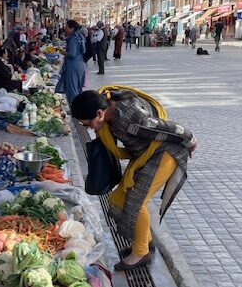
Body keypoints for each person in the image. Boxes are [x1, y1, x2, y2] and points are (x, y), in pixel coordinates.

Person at [71, 88, 197, 271]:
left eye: (88, 124)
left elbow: (169, 127)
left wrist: (191, 140)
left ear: (99, 113)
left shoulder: (131, 120)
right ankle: (144, 243)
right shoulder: (106, 107)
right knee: (127, 197)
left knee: (137, 202)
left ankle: (141, 253)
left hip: (164, 154)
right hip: (145, 154)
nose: (88, 128)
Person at [56, 19, 85, 104]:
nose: (65, 29)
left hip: (73, 66)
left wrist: (63, 52)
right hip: (79, 64)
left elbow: (72, 54)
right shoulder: (79, 36)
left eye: (66, 27)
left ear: (72, 28)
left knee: (72, 89)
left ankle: (74, 109)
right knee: (77, 88)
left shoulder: (73, 39)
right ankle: (78, 107)